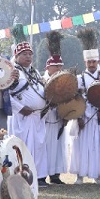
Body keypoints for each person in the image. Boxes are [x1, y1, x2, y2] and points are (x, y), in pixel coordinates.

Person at [70, 32, 100, 182]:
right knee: (82, 146)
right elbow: (75, 98)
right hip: (84, 117)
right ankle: (79, 176)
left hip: (99, 117)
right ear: (85, 63)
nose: (92, 64)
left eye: (94, 61)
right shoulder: (80, 78)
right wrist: (78, 116)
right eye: (89, 62)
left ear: (98, 61)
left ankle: (98, 175)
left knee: (99, 145)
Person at [7, 42, 50, 185]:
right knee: (23, 147)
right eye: (24, 54)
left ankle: (39, 176)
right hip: (21, 117)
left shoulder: (35, 72)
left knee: (38, 146)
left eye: (30, 54)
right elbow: (6, 94)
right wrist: (20, 108)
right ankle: (23, 176)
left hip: (38, 117)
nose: (28, 57)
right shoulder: (12, 71)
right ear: (16, 56)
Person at [41, 51, 70, 185]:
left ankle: (55, 175)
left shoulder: (63, 81)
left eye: (60, 66)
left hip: (58, 119)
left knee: (58, 147)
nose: (59, 69)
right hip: (46, 119)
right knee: (45, 147)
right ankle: (42, 175)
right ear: (48, 67)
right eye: (56, 66)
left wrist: (66, 114)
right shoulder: (42, 81)